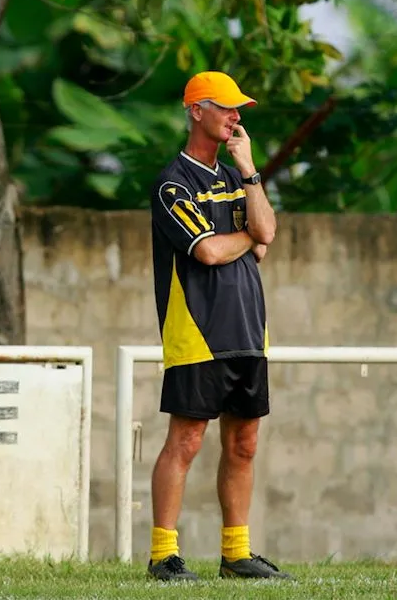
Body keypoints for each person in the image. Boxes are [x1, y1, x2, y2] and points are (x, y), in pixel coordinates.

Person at [146, 71, 292, 582]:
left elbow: (267, 234)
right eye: (226, 107)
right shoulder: (171, 182)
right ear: (195, 112)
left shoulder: (235, 178)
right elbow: (207, 251)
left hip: (249, 330)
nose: (236, 116)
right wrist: (244, 236)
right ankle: (163, 555)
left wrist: (249, 171)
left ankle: (236, 554)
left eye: (239, 109)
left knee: (244, 444)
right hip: (196, 332)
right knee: (185, 442)